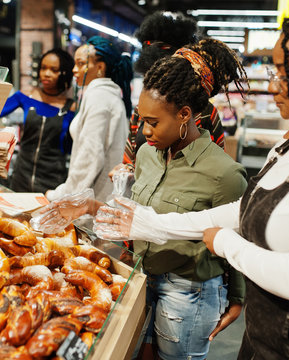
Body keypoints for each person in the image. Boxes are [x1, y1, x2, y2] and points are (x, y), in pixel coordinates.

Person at [94, 1, 289, 358]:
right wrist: (153, 224)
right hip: (266, 340)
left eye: (285, 74)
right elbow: (244, 209)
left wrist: (224, 243)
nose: (274, 87)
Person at [34, 38, 248, 360]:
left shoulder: (224, 174)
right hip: (142, 278)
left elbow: (239, 238)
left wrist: (237, 296)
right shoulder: (148, 155)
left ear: (185, 115)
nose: (143, 132)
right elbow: (140, 218)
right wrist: (91, 207)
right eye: (141, 119)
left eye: (152, 123)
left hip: (189, 293)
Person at [119, 11, 228, 173]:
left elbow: (217, 166)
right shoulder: (140, 111)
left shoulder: (204, 111)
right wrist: (125, 172)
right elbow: (130, 158)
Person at [45, 36, 133, 202]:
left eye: (81, 63)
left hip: (91, 203)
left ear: (100, 67)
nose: (74, 69)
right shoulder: (107, 96)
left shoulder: (99, 97)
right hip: (99, 198)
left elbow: (89, 158)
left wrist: (62, 196)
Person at [0, 48, 75, 193]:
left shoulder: (71, 108)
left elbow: (71, 147)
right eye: (43, 68)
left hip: (53, 183)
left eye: (54, 70)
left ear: (64, 73)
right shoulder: (26, 97)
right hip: (21, 177)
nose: (46, 73)